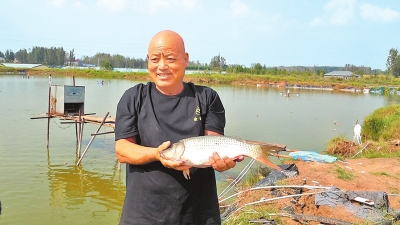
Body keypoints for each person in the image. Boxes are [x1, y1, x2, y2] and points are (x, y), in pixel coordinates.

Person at [114, 30, 242, 225]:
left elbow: (214, 142)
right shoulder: (134, 98)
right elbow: (122, 151)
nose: (162, 66)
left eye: (171, 58)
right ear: (148, 60)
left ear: (185, 59)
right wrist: (157, 155)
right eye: (155, 59)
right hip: (143, 215)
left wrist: (222, 162)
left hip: (198, 214)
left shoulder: (207, 98)